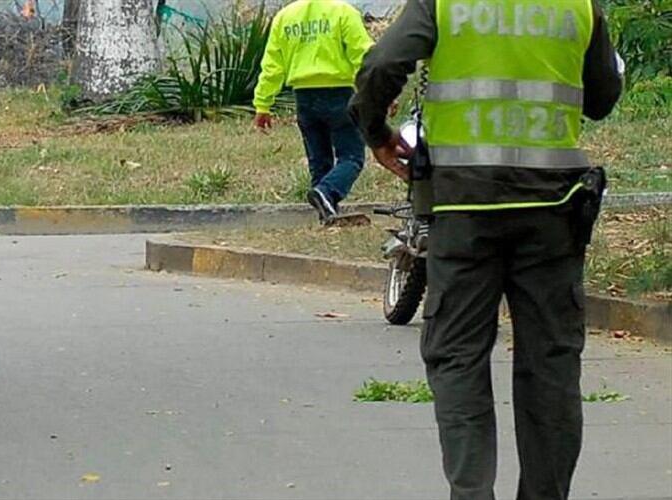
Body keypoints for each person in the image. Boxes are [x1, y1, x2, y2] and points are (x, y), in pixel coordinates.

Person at [349, 0, 622, 498]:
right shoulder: (581, 4)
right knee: (552, 362)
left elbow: (384, 63)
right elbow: (602, 98)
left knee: (457, 355)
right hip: (554, 211)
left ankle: (472, 493)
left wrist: (376, 132)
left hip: (464, 210)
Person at [252, 0, 373, 222]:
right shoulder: (343, 12)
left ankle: (326, 212)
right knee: (352, 156)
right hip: (339, 94)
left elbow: (272, 66)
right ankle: (326, 193)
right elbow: (363, 56)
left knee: (319, 160)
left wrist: (263, 104)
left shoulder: (285, 17)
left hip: (304, 97)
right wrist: (378, 90)